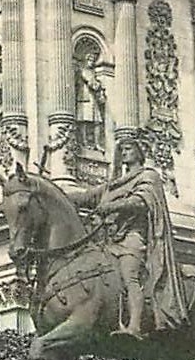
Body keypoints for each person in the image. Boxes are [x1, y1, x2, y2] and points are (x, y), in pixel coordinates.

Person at [80, 136, 188, 336]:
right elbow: (85, 197)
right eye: (121, 150)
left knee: (129, 275)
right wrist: (49, 191)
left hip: (132, 237)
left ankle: (135, 327)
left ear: (139, 152)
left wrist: (111, 206)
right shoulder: (113, 185)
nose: (124, 153)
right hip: (108, 240)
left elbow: (140, 203)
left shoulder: (148, 177)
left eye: (129, 149)